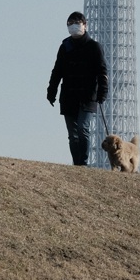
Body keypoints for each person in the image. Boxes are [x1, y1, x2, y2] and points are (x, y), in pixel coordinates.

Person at [47, 12, 108, 166]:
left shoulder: (94, 47)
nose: (74, 25)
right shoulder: (65, 47)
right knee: (72, 134)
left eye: (77, 22)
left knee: (83, 128)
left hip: (88, 96)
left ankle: (84, 163)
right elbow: (57, 71)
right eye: (70, 23)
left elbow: (102, 71)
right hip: (68, 95)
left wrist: (102, 91)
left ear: (85, 25)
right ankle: (77, 164)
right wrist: (51, 91)